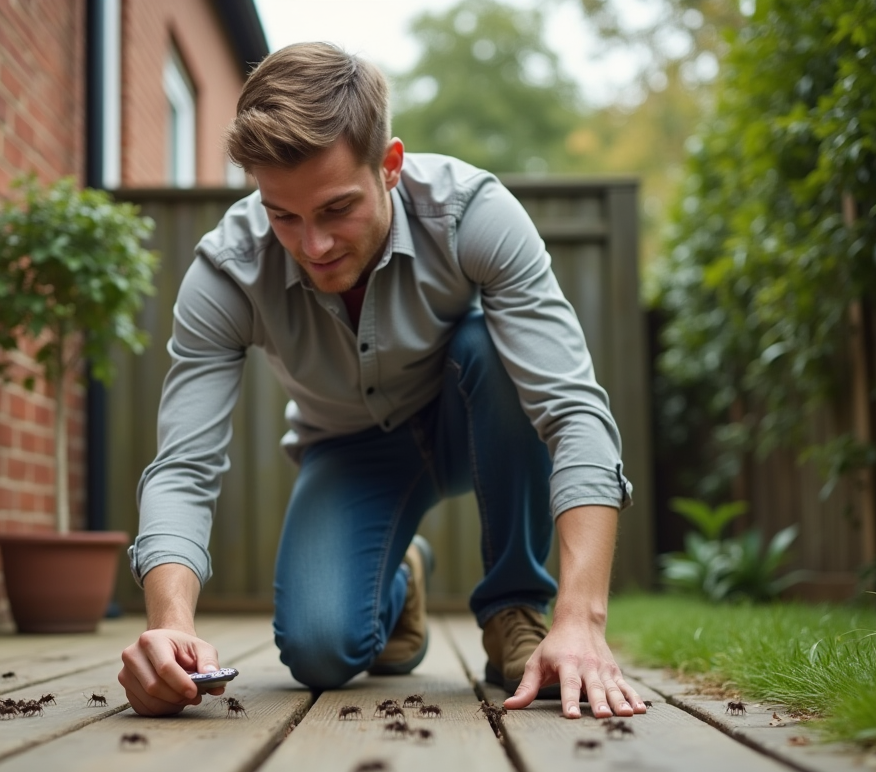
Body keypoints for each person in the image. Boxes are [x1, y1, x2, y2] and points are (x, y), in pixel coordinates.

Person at [118, 42, 647, 722]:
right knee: (318, 653)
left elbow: (573, 412)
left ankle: (517, 607)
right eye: (284, 215)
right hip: (351, 448)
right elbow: (183, 467)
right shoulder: (226, 272)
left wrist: (583, 617)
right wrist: (171, 621)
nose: (312, 246)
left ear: (389, 166)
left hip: (473, 413)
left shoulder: (473, 213)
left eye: (337, 209)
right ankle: (402, 579)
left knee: (493, 345)